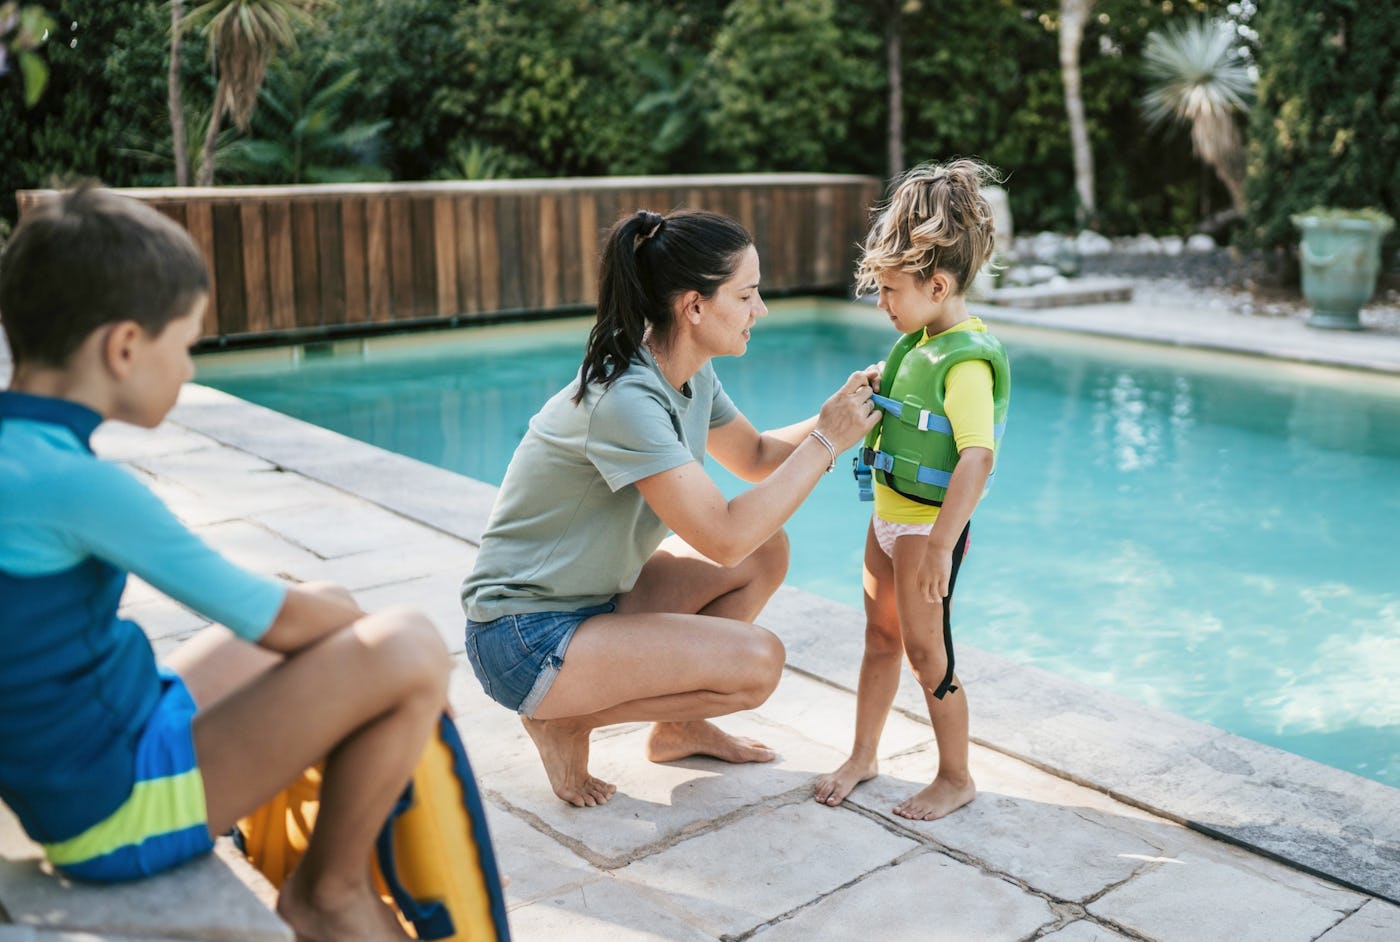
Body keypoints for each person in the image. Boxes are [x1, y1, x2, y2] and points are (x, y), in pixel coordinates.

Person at [0, 184, 451, 942]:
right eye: (187, 345)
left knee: (328, 594)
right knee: (408, 646)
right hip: (116, 809)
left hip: (95, 750)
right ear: (123, 347)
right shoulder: (79, 485)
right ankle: (329, 892)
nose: (189, 370)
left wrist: (341, 633)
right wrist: (369, 645)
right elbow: (267, 619)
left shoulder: (24, 452)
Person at [461, 208, 880, 807]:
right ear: (694, 306)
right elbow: (724, 537)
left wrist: (843, 409)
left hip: (592, 605)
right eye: (748, 294)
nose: (760, 310)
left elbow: (758, 456)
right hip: (523, 637)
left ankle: (679, 727)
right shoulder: (624, 400)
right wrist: (827, 442)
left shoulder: (687, 374)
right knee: (757, 664)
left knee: (769, 549)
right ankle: (564, 720)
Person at [813, 158, 1010, 820]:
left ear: (938, 282)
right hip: (888, 520)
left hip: (930, 531)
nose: (883, 303)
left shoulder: (967, 361)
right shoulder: (919, 344)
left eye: (892, 290)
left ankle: (956, 775)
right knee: (879, 638)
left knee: (931, 656)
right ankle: (864, 754)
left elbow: (977, 458)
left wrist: (938, 548)